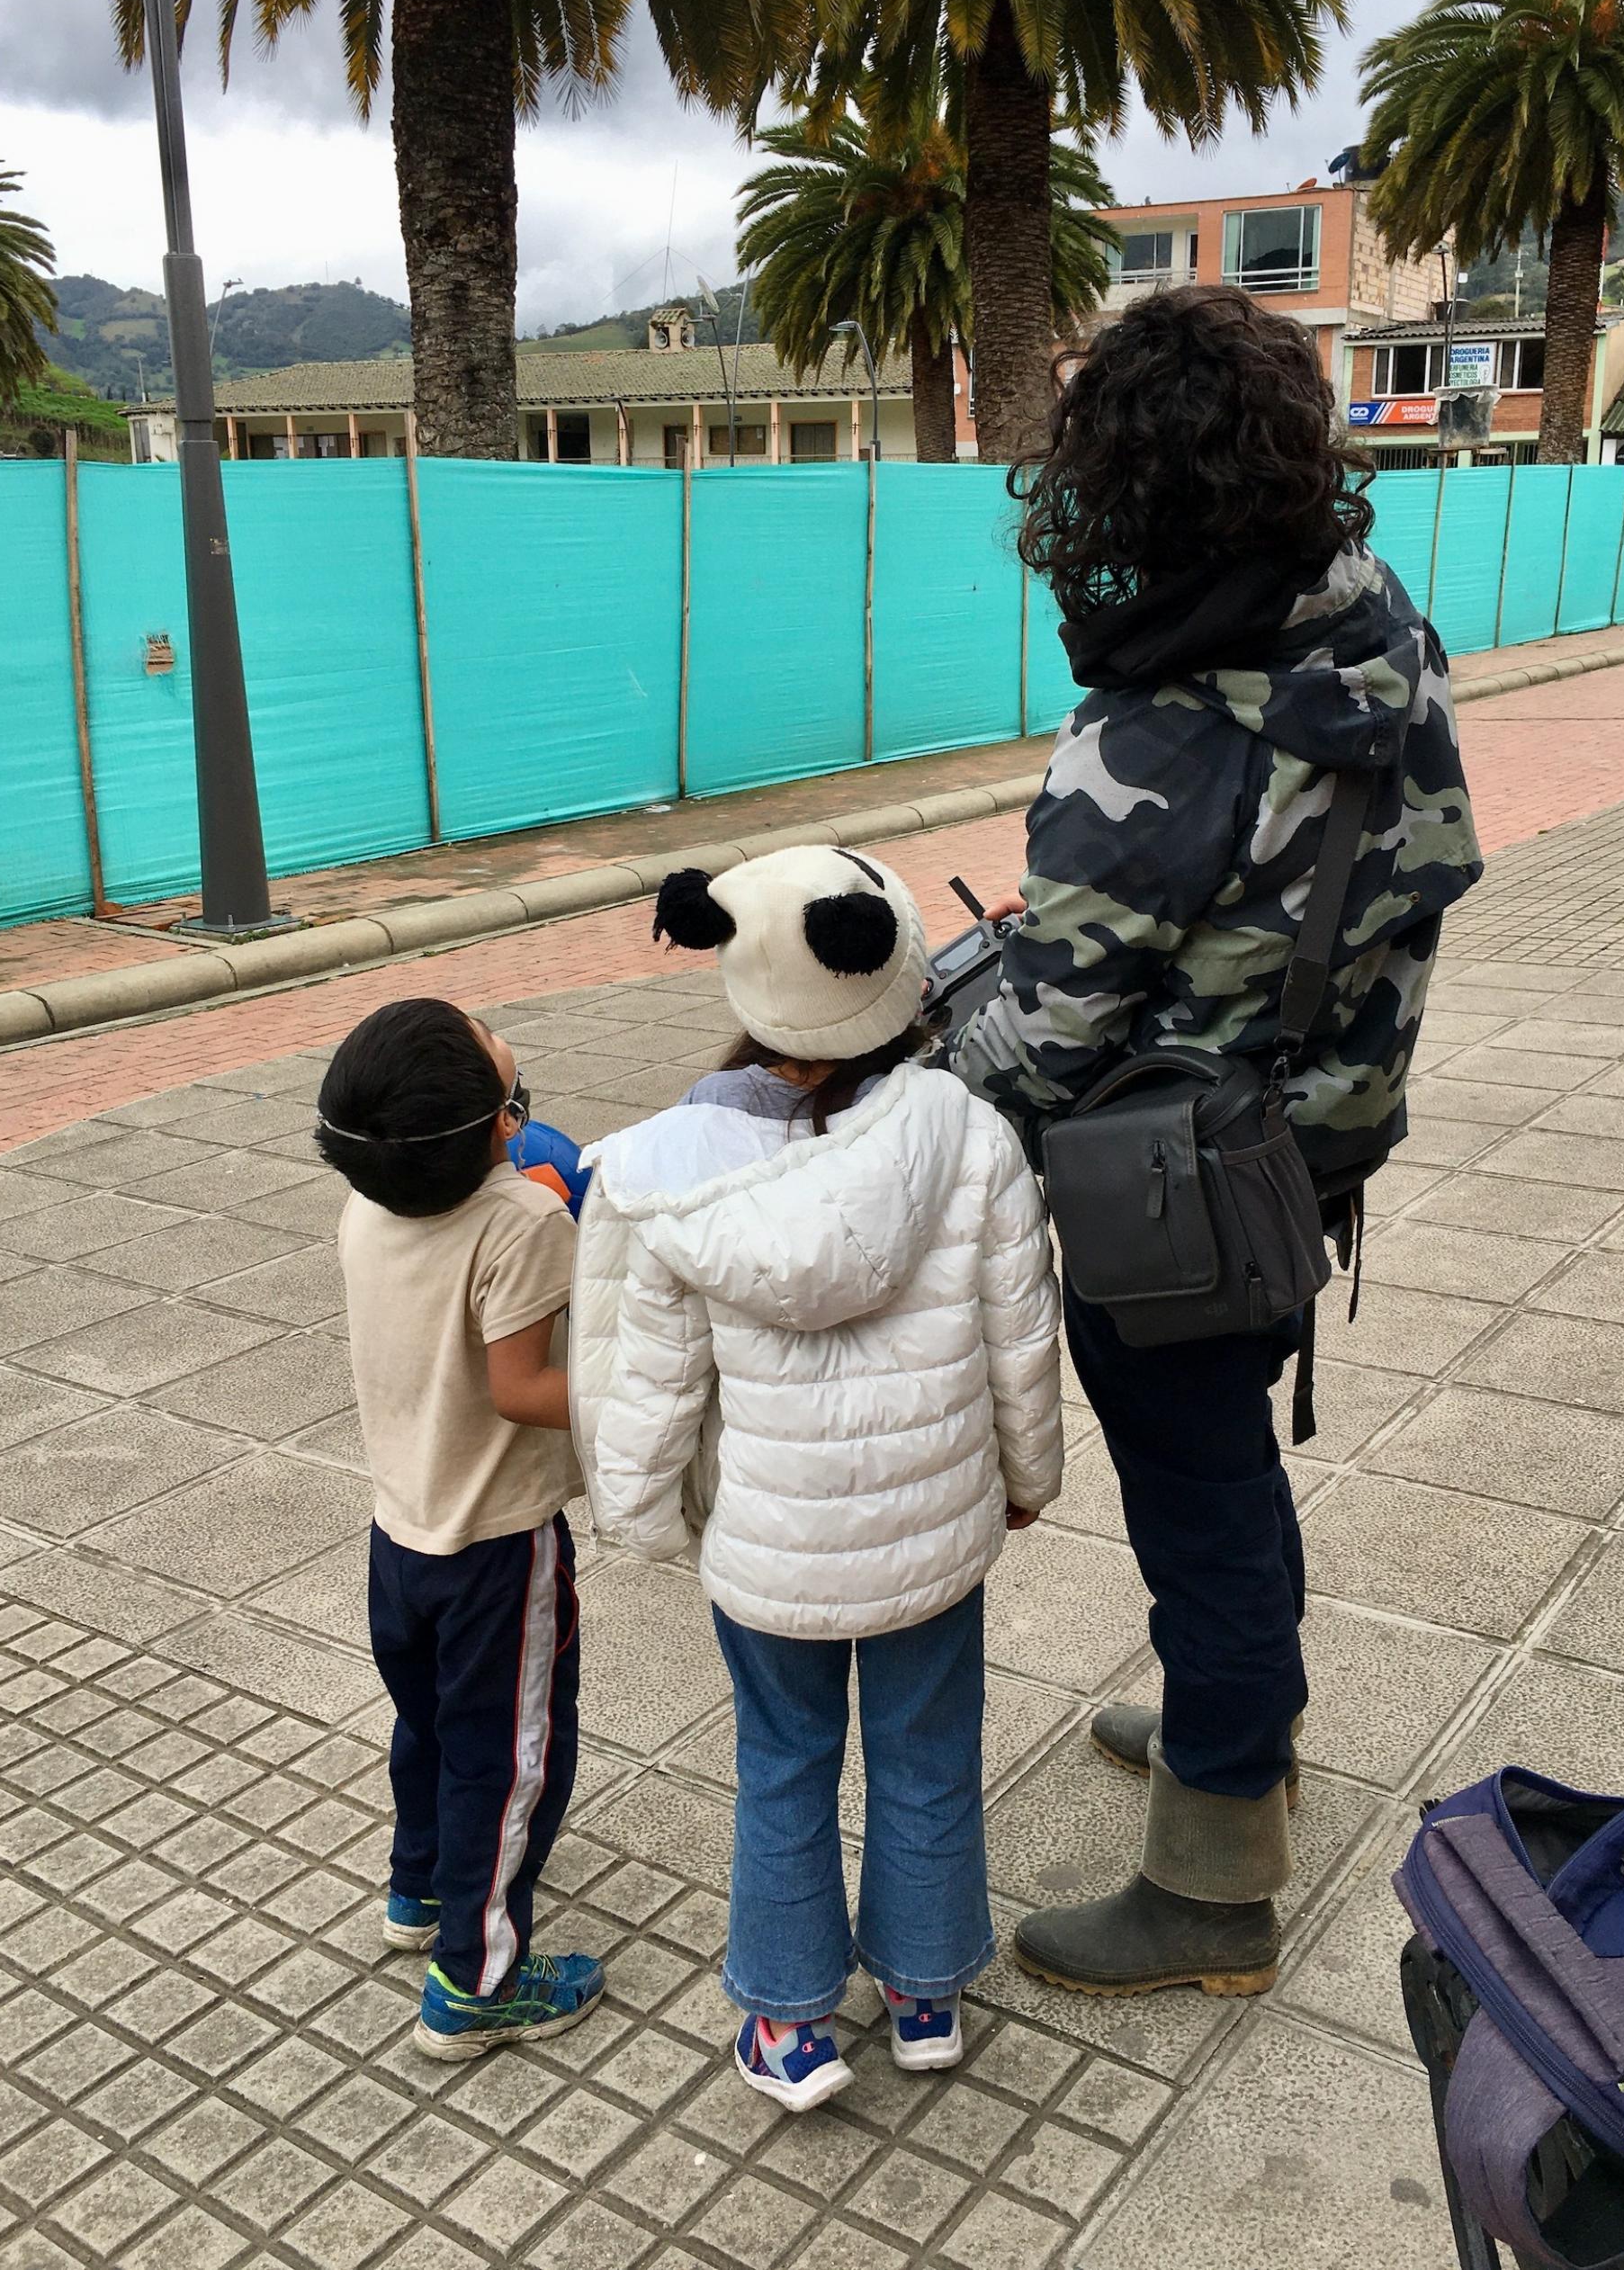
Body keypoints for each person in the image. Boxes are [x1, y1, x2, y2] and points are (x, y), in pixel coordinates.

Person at [950, 283, 1482, 2000]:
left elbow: (1045, 1036)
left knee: (1196, 1497)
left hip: (1168, 1186)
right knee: (1231, 1462)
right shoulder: (1370, 625)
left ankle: (1211, 1877)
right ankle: (1238, 1719)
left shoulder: (1157, 722)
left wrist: (912, 1047)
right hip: (1316, 1135)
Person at [572, 847, 1064, 2112]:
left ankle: (789, 2026)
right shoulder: (969, 1132)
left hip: (770, 1552)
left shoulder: (683, 1172)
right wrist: (1026, 1476)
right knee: (926, 1753)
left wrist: (635, 1507)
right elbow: (1022, 1332)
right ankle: (923, 1993)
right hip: (932, 1536)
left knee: (782, 1761)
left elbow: (657, 1374)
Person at [316, 996, 605, 2059]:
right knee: (512, 1756)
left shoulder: (365, 1206)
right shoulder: (523, 1222)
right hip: (498, 1545)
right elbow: (524, 1387)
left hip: (400, 1531)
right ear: (493, 1125)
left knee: (429, 1727)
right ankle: (479, 1979)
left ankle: (419, 1890)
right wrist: (650, 1389)